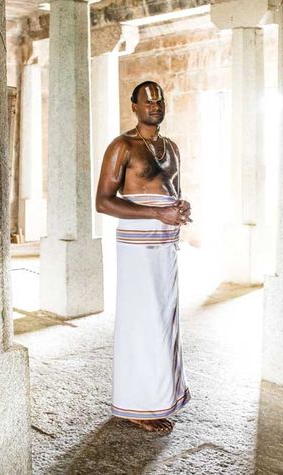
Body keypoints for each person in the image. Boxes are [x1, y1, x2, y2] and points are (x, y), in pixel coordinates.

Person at [95, 81, 192, 433]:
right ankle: (136, 405)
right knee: (141, 320)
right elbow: (103, 201)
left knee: (165, 319)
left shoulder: (172, 148)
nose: (155, 103)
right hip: (137, 240)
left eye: (160, 98)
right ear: (134, 105)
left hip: (167, 242)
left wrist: (180, 208)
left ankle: (162, 395)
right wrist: (156, 214)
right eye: (147, 99)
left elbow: (173, 193)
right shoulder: (122, 146)